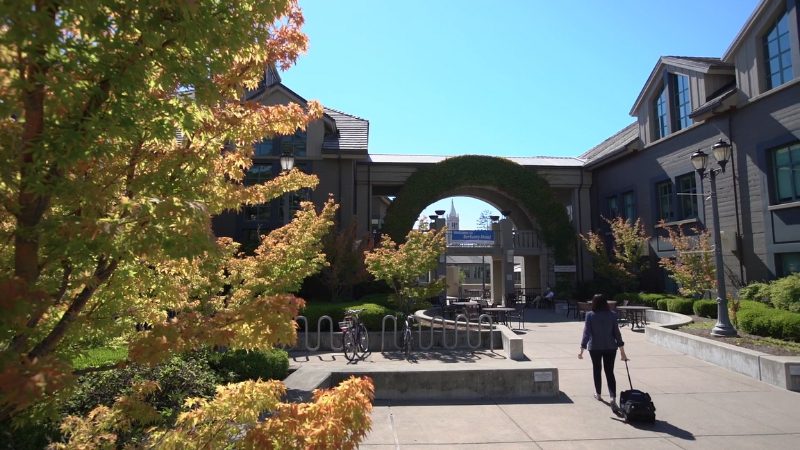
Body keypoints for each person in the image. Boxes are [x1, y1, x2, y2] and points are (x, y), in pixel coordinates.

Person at [578, 293, 628, 410]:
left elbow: (587, 333)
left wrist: (582, 349)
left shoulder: (590, 315)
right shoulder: (612, 315)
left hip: (594, 347)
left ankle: (598, 394)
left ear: (594, 303)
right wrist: (622, 352)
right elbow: (617, 334)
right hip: (611, 347)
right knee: (609, 372)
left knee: (597, 370)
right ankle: (612, 398)